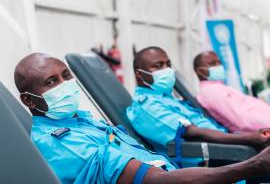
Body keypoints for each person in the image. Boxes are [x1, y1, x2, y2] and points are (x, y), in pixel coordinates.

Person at [15, 52, 270, 184]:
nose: (65, 85)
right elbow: (160, 181)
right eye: (51, 82)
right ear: (28, 100)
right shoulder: (63, 143)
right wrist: (254, 164)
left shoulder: (82, 120)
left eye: (66, 76)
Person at [126, 46, 270, 153]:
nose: (167, 70)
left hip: (226, 144)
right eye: (158, 66)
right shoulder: (147, 106)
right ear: (139, 74)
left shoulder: (166, 98)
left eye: (168, 65)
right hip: (213, 156)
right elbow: (192, 133)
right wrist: (248, 138)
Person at [194, 51, 270, 133]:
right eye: (212, 64)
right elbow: (243, 121)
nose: (218, 66)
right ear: (200, 71)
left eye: (219, 62)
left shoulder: (217, 88)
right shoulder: (212, 92)